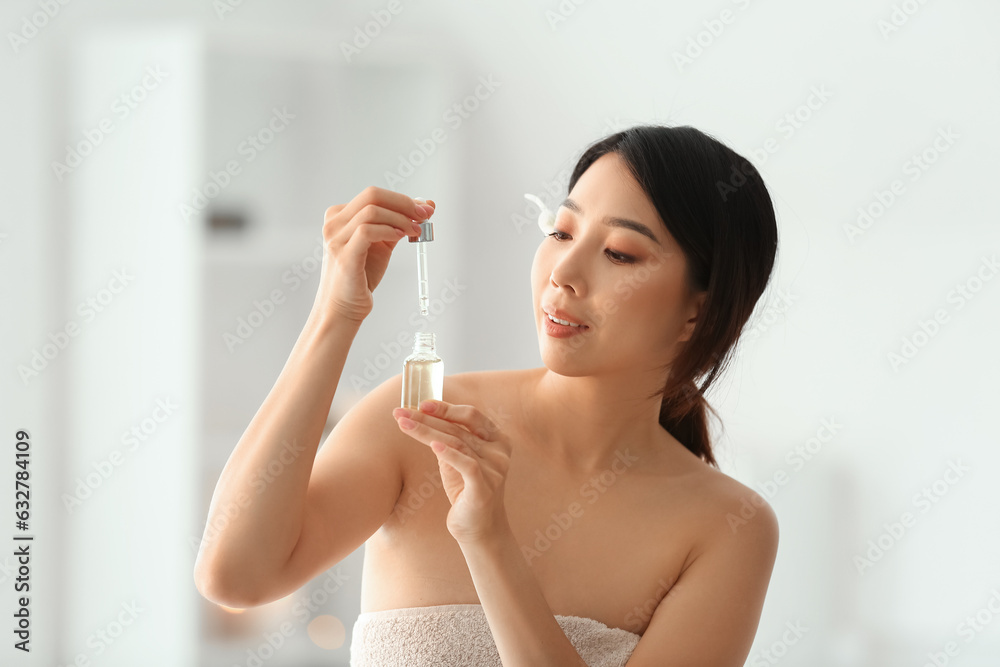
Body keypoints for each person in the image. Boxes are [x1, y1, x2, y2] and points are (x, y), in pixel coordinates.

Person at [194, 124, 781, 666]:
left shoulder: (728, 528)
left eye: (620, 253)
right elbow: (236, 577)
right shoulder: (422, 421)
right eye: (561, 231)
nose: (564, 271)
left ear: (696, 313)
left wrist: (488, 539)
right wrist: (335, 314)